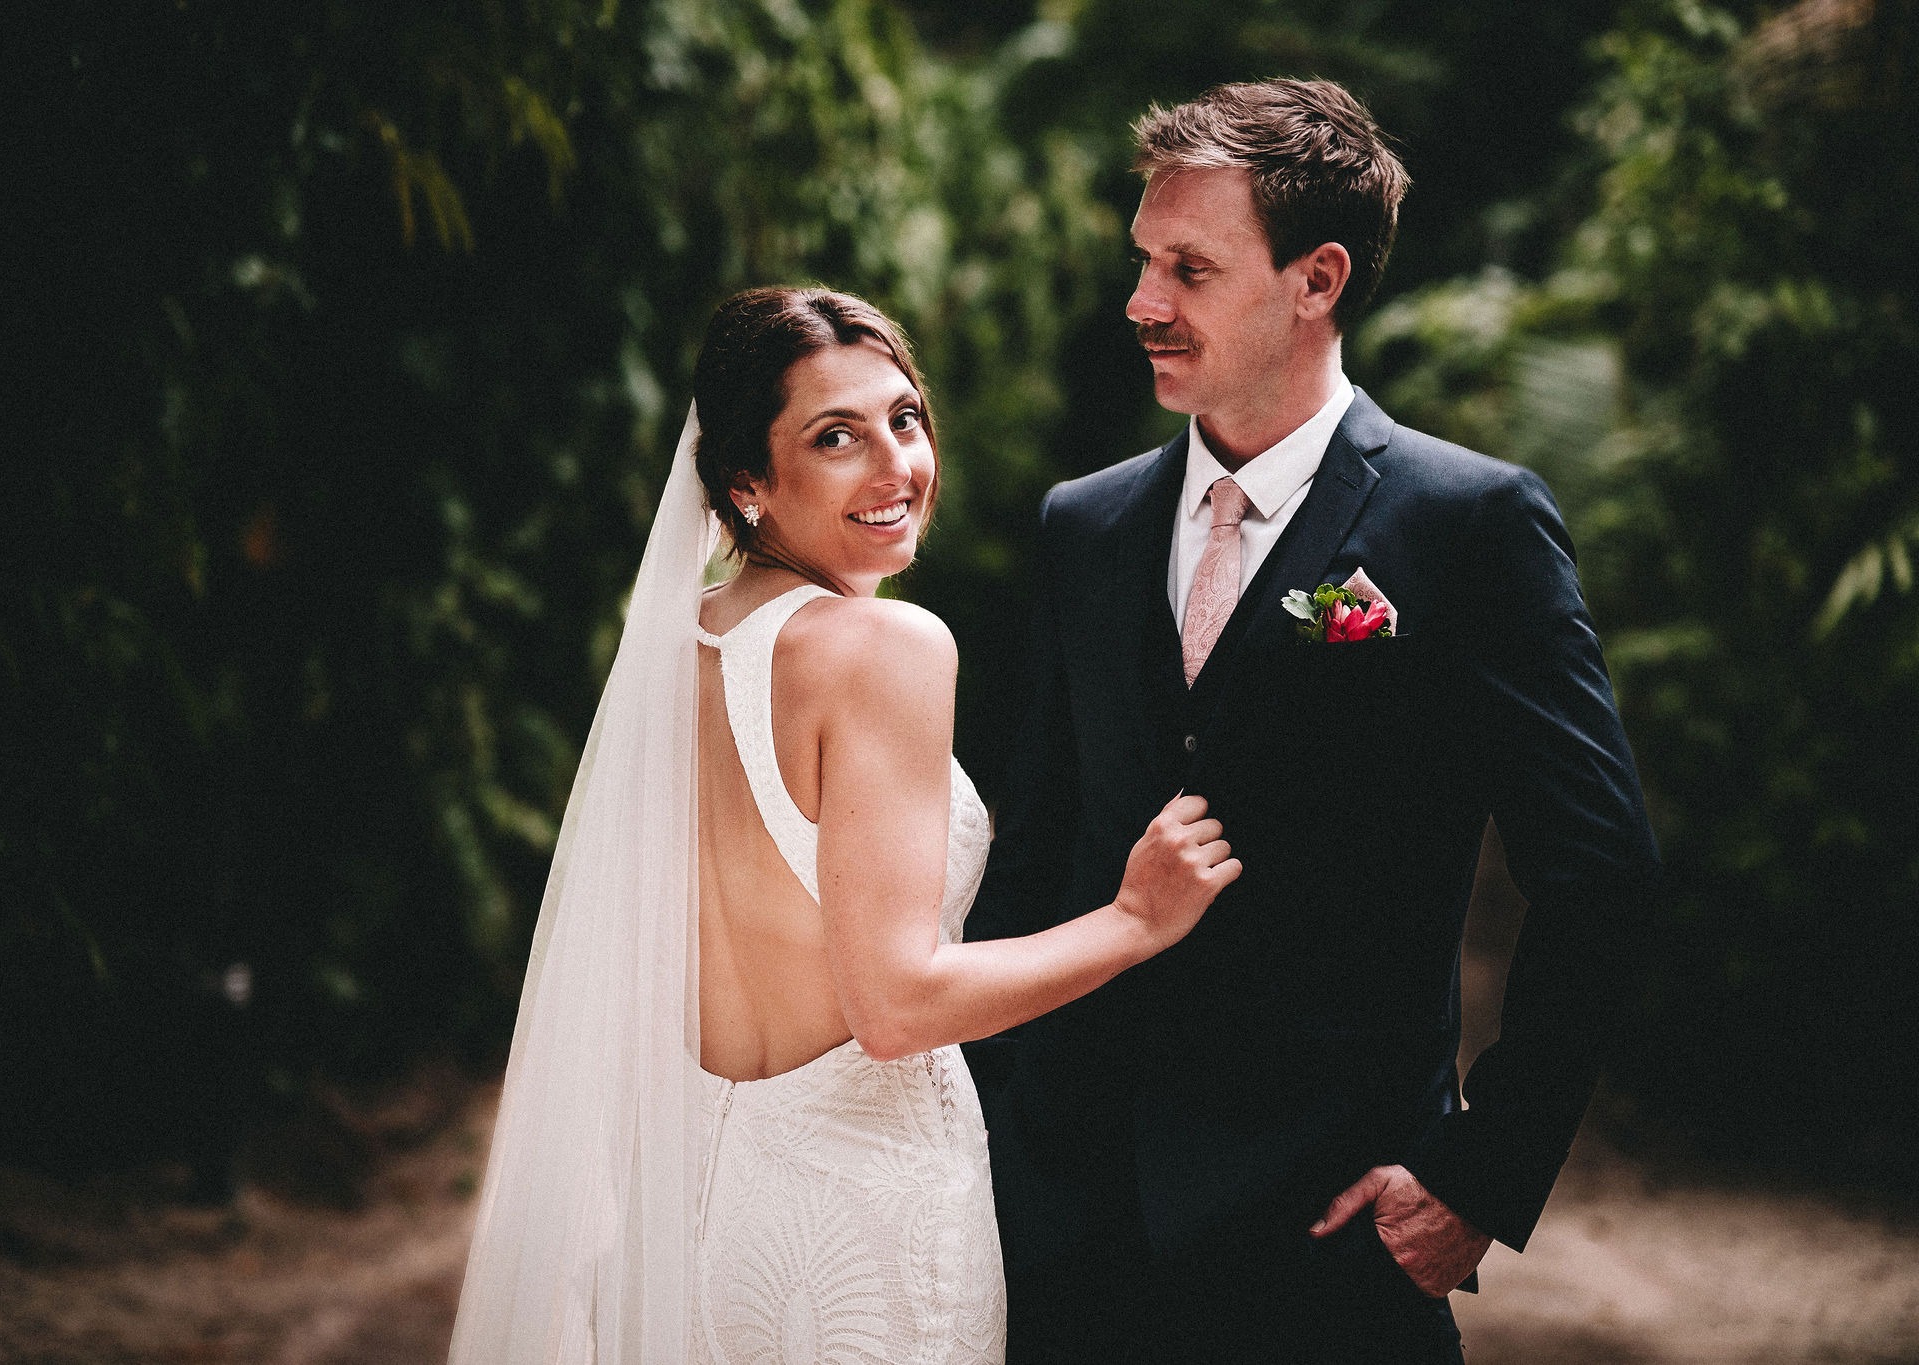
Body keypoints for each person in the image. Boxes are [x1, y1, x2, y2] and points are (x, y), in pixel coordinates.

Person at [963, 79, 1662, 1363]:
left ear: (1316, 279)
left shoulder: (1469, 526)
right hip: (1070, 1223)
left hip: (1329, 1234)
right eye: (1142, 262)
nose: (1141, 303)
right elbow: (1035, 856)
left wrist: (1477, 1175)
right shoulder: (1083, 525)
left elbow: (1598, 874)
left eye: (1188, 269)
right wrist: (986, 1129)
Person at [446, 286, 1241, 1365]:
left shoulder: (678, 649)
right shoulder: (885, 649)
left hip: (700, 1214)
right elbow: (897, 1005)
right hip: (864, 1224)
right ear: (746, 483)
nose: (895, 465)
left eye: (903, 419)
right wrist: (1134, 921)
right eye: (835, 437)